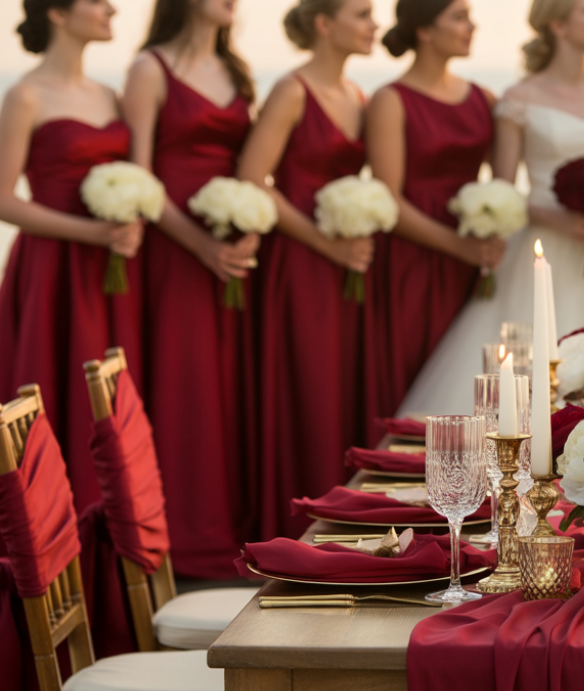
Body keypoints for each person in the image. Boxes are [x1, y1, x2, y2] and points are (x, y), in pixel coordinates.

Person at [397, 0, 584, 417]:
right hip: (544, 242)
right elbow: (505, 189)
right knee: (531, 363)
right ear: (557, 24)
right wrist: (556, 217)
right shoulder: (519, 98)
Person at [122, 0, 257, 577]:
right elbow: (139, 175)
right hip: (174, 246)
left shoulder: (236, 71)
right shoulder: (149, 68)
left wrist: (250, 227)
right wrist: (199, 245)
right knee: (184, 377)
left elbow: (250, 167)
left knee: (226, 381)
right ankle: (182, 538)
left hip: (228, 246)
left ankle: (226, 524)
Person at [238, 0, 377, 540]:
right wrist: (326, 244)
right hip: (299, 260)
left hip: (345, 262)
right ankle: (297, 520)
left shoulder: (358, 95)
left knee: (339, 386)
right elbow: (254, 178)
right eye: (361, 13)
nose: (374, 24)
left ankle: (342, 520)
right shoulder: (292, 90)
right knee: (307, 383)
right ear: (323, 23)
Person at [0, 0, 142, 511]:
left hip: (110, 270)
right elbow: (3, 199)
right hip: (52, 268)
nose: (111, 9)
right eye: (97, 1)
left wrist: (129, 224)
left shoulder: (110, 95)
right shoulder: (25, 95)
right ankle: (55, 521)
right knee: (54, 388)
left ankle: (115, 522)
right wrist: (92, 232)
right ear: (57, 13)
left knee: (112, 397)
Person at [366, 0, 503, 423]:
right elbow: (388, 198)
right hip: (412, 257)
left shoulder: (484, 98)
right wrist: (458, 247)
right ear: (424, 30)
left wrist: (493, 233)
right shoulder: (390, 100)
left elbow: (500, 185)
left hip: (473, 256)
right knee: (413, 373)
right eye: (458, 17)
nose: (471, 26)